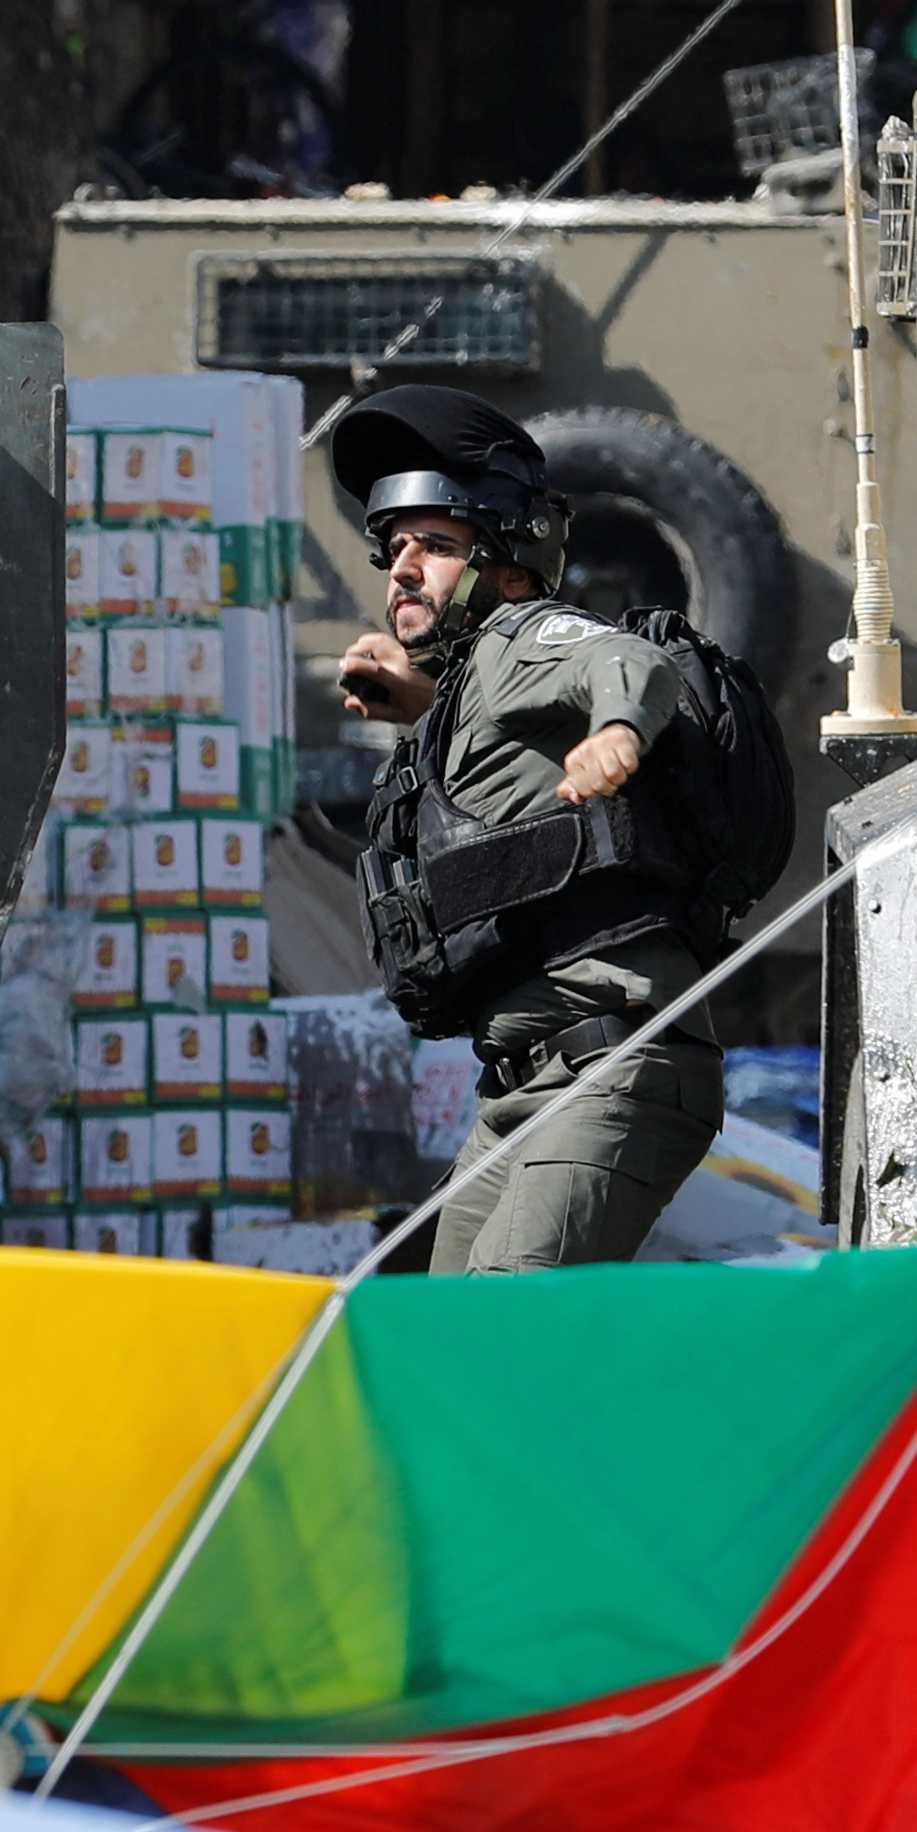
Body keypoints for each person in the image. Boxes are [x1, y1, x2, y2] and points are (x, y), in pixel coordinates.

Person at [329, 385, 729, 1271]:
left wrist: (618, 731)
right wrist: (422, 714)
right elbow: (500, 789)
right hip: (519, 1089)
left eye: (435, 546)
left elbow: (626, 660)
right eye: (395, 546)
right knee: (446, 1348)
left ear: (509, 567)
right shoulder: (473, 687)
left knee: (508, 1341)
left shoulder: (525, 629)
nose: (402, 567)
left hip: (608, 1067)